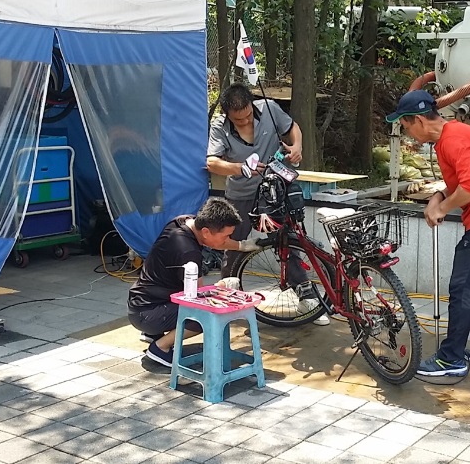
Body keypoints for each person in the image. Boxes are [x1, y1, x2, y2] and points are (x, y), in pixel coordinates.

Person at [387, 90, 470, 380]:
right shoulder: (451, 136)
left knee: (462, 288)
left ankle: (451, 358)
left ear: (419, 119)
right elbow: (460, 183)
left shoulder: (453, 140)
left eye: (406, 126)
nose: (407, 133)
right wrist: (439, 196)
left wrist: (442, 207)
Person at [206, 83, 330, 325]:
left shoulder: (270, 109)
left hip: (276, 190)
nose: (244, 122)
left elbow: (293, 127)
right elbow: (212, 162)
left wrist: (297, 147)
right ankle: (229, 300)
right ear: (228, 115)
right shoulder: (219, 126)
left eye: (248, 115)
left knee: (290, 241)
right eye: (238, 120)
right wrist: (239, 168)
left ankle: (306, 296)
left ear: (252, 106)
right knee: (232, 247)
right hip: (241, 194)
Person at [128, 197, 260, 367]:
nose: (228, 239)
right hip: (147, 313)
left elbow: (216, 241)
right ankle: (160, 348)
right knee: (206, 314)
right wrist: (222, 286)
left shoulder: (184, 222)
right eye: (226, 235)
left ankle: (155, 333)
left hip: (142, 302)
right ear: (206, 231)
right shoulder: (188, 251)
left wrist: (242, 246)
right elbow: (198, 297)